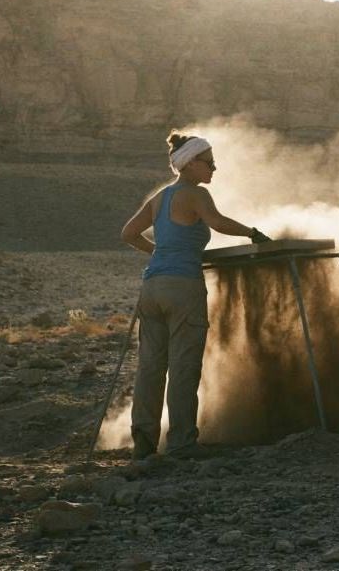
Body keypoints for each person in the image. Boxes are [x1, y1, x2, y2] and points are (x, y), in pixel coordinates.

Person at [121, 131, 270, 459]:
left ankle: (143, 443)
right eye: (209, 163)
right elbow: (217, 223)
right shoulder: (194, 194)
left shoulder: (160, 198)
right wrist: (252, 232)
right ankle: (182, 443)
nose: (214, 169)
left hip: (152, 287)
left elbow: (128, 233)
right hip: (182, 287)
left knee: (150, 367)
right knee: (183, 366)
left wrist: (161, 252)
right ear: (189, 164)